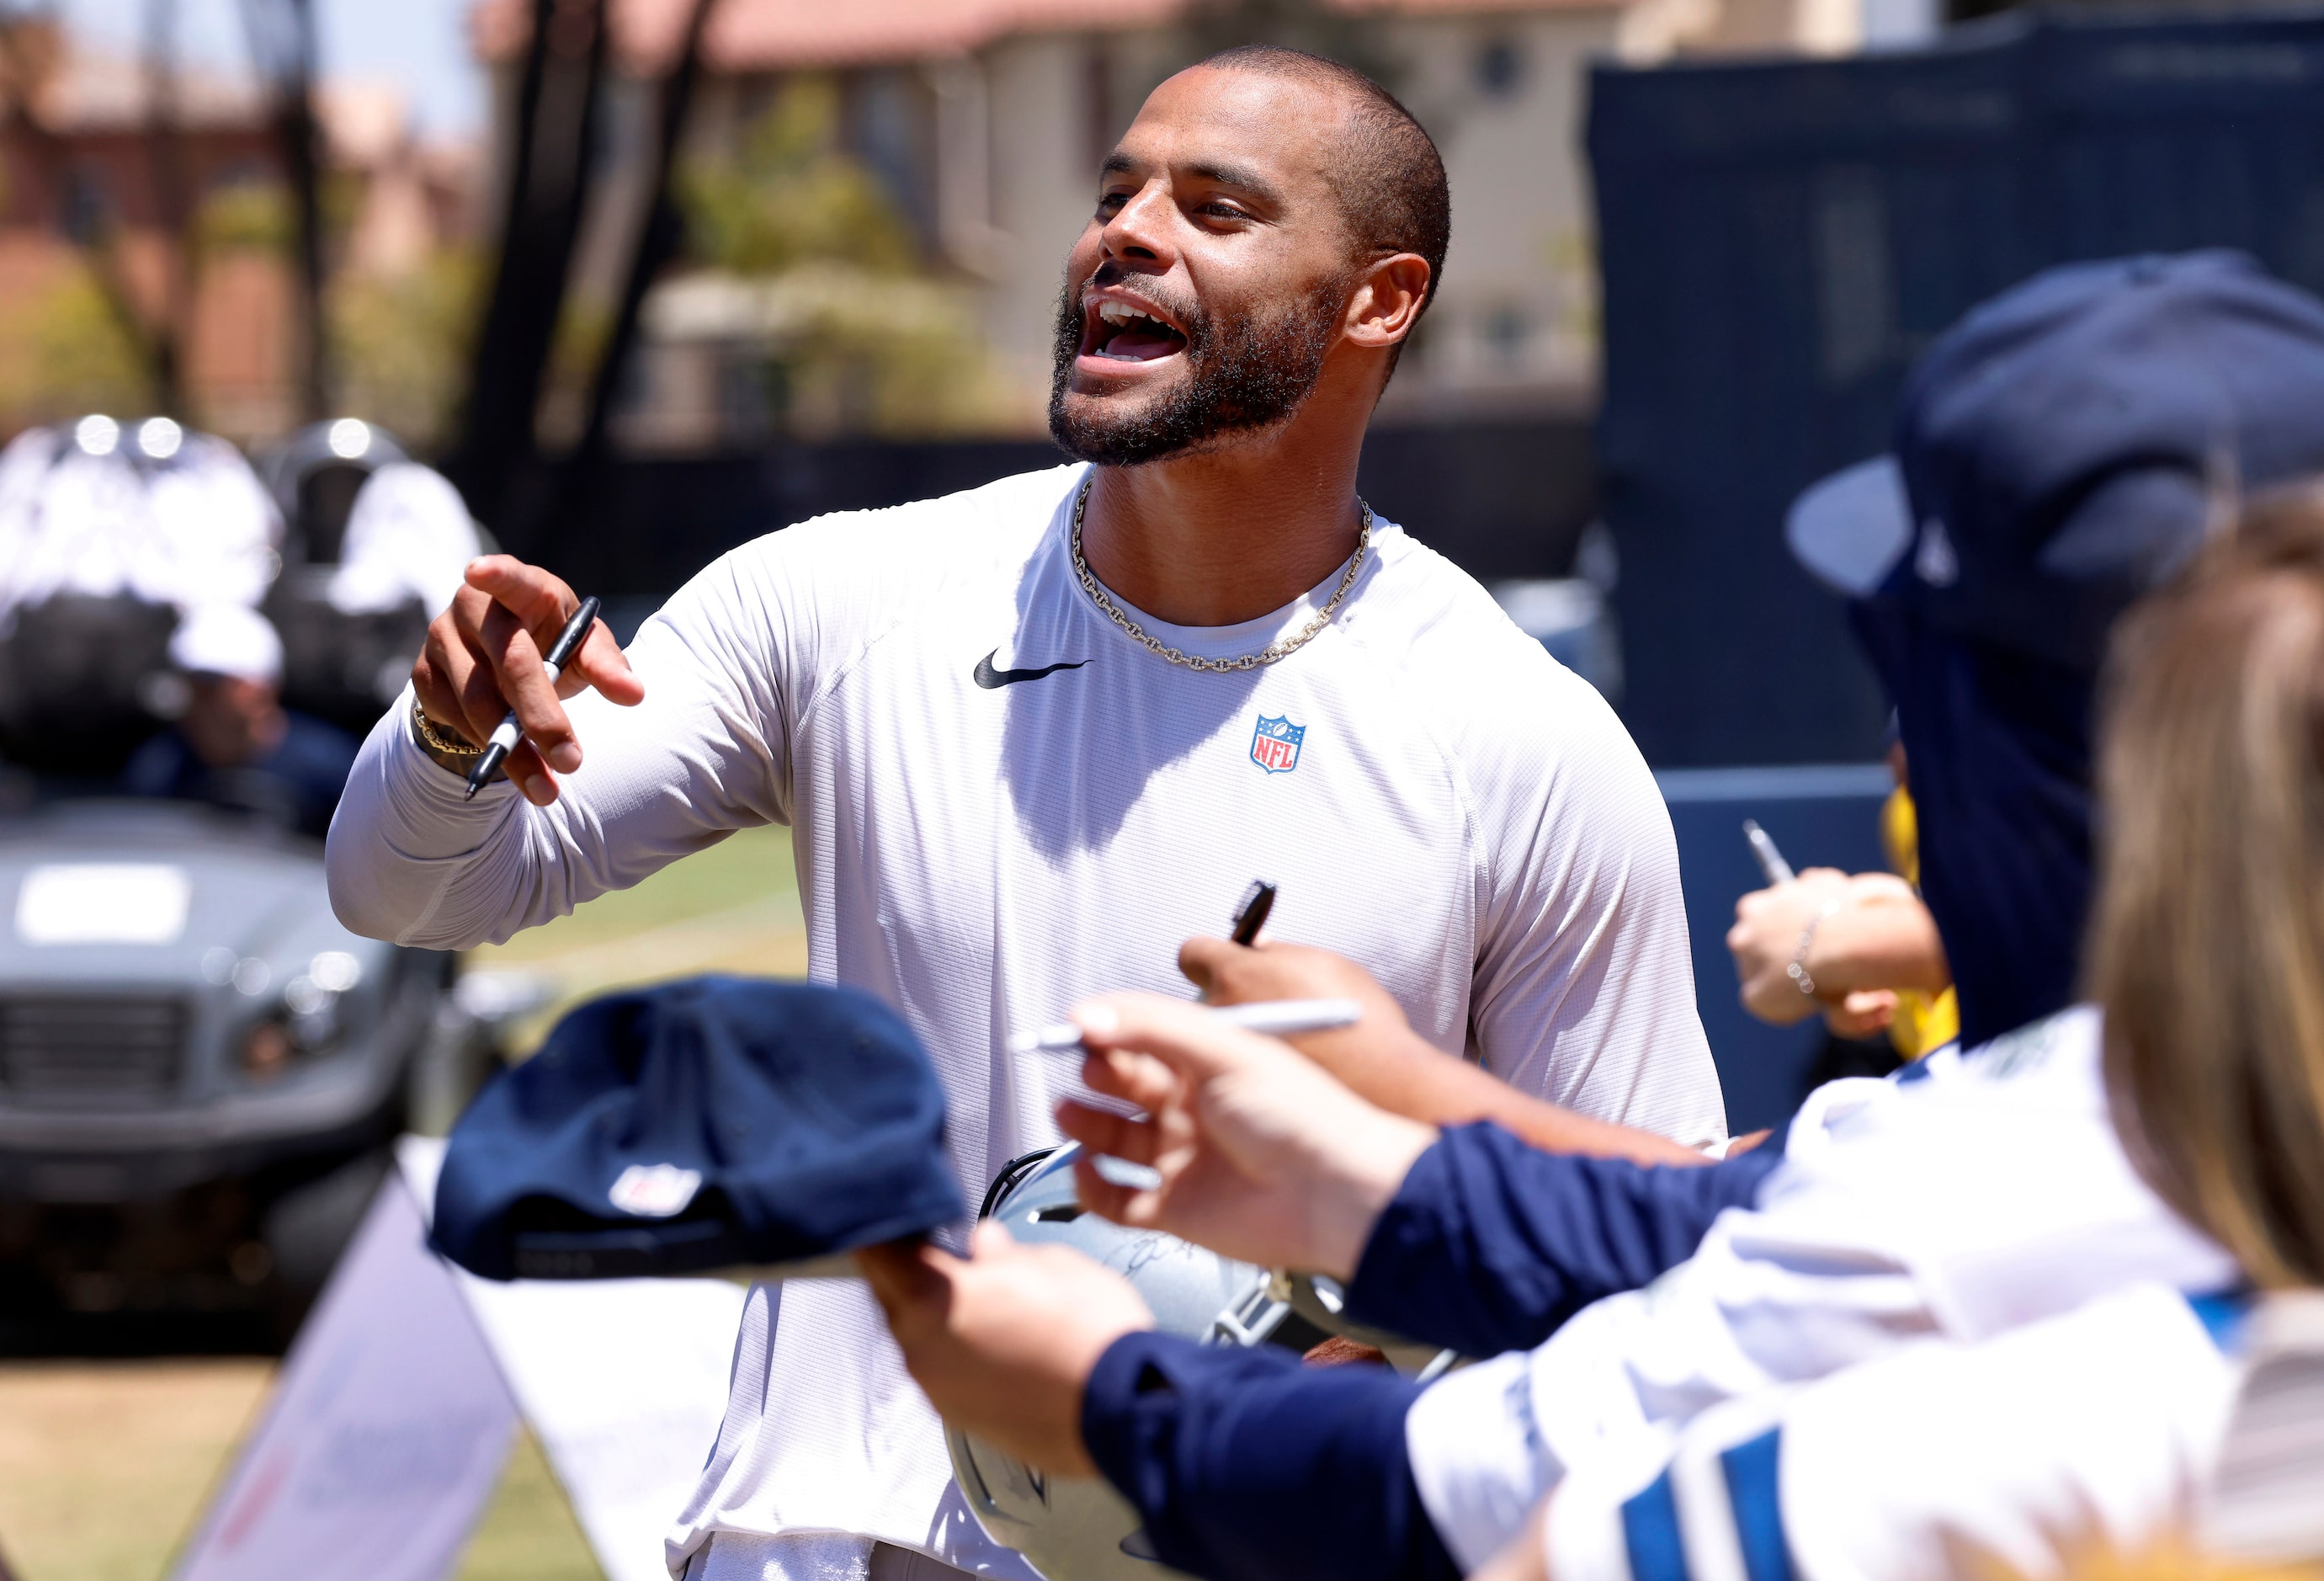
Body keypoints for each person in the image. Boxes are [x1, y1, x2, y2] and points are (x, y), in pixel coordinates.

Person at [325, 45, 1722, 1581]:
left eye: (1217, 205)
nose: (1126, 230)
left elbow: (1628, 1253)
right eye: (1116, 188)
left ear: (1376, 300)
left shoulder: (1521, 739)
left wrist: (1380, 1362)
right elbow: (413, 894)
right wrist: (450, 732)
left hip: (1261, 1527)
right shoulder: (836, 599)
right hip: (829, 1534)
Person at [859, 251, 2324, 1581]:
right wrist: (1365, 1179)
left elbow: (1482, 1499)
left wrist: (1110, 1395)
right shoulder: (2125, 1117)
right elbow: (1726, 1221)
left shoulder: (2038, 1331)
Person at [122, 604, 358, 838]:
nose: (198, 697)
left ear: (263, 690)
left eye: (212, 684)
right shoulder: (157, 770)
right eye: (191, 683)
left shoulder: (331, 769)